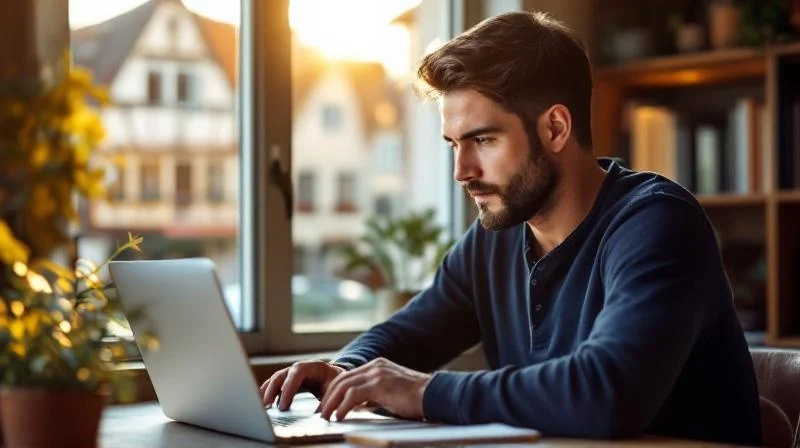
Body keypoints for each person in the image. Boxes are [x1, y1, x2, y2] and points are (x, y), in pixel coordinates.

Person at [260, 11, 762, 445]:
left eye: (482, 139)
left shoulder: (656, 222)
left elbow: (608, 393)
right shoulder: (494, 238)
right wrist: (345, 370)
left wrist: (421, 392)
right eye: (453, 143)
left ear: (555, 128)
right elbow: (405, 335)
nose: (462, 171)